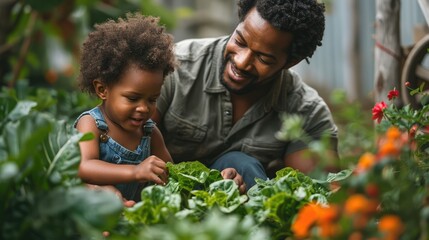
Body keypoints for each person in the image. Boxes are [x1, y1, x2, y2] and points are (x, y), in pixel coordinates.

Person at [152, 0, 339, 189]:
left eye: (263, 58)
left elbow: (318, 194)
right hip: (163, 192)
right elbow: (130, 143)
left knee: (243, 165)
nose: (242, 62)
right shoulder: (173, 67)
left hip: (246, 211)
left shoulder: (306, 110)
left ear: (290, 62)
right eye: (240, 41)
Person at [74, 13, 177, 203]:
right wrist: (135, 171)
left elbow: (173, 174)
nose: (144, 108)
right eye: (133, 98)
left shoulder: (150, 132)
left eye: (152, 100)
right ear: (102, 89)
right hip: (95, 207)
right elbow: (83, 166)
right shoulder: (92, 124)